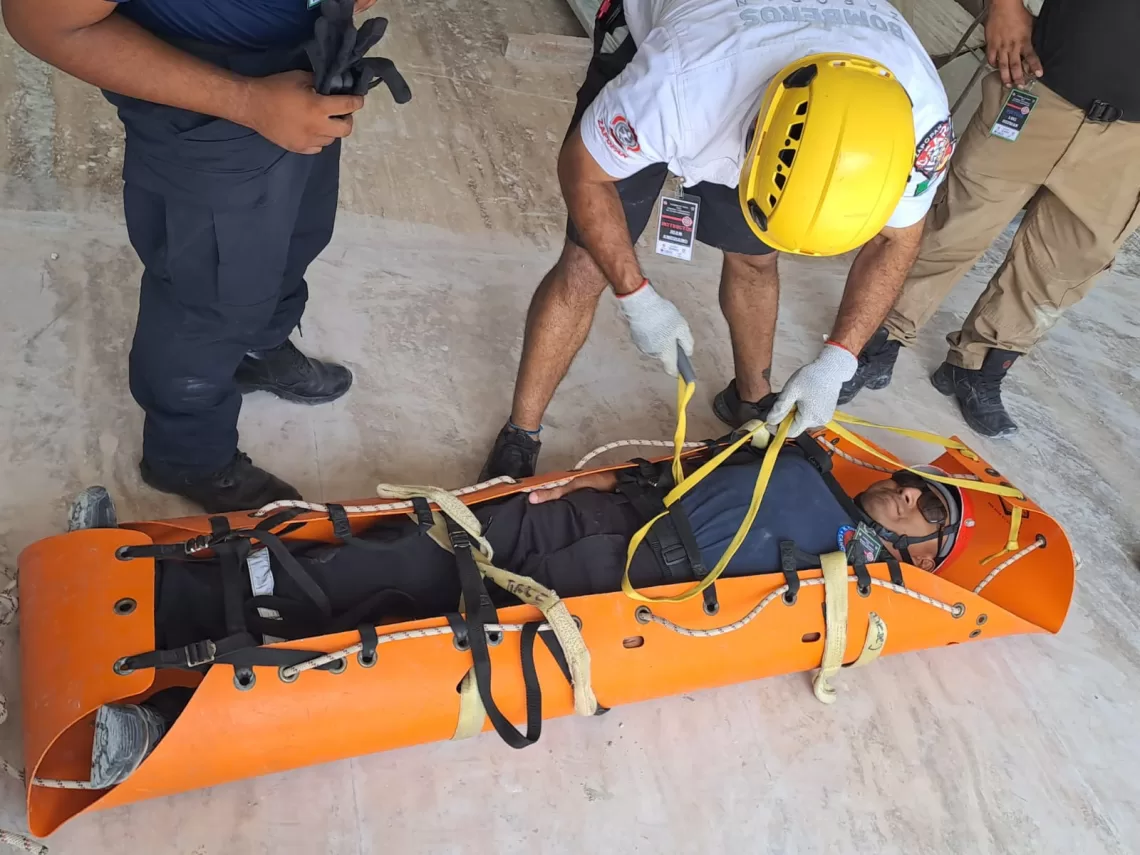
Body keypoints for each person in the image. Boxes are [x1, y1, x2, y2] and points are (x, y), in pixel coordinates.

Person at [86, 430, 961, 784]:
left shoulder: (861, 583)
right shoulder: (803, 459)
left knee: (404, 629)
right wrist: (570, 483)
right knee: (399, 549)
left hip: (622, 586)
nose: (914, 498)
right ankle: (153, 580)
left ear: (924, 555)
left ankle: (163, 715)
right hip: (607, 520)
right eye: (921, 488)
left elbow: (844, 630)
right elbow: (678, 464)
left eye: (933, 516)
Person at [480, 0, 955, 480]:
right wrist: (637, 297)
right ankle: (521, 434)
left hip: (767, 68)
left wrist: (839, 360)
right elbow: (583, 172)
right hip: (693, 39)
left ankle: (751, 401)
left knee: (754, 256)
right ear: (756, 142)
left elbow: (896, 242)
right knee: (586, 267)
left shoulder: (919, 122)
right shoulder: (678, 84)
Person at [1, 0, 385, 512]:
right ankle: (188, 458)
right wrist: (247, 102)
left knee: (297, 236)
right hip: (208, 97)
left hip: (308, 68)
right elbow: (41, 21)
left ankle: (256, 350)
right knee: (205, 297)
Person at [839, 0, 1140, 438]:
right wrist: (1003, 5)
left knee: (1062, 268)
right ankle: (878, 338)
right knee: (955, 224)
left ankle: (979, 366)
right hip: (1041, 90)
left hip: (1129, 142)